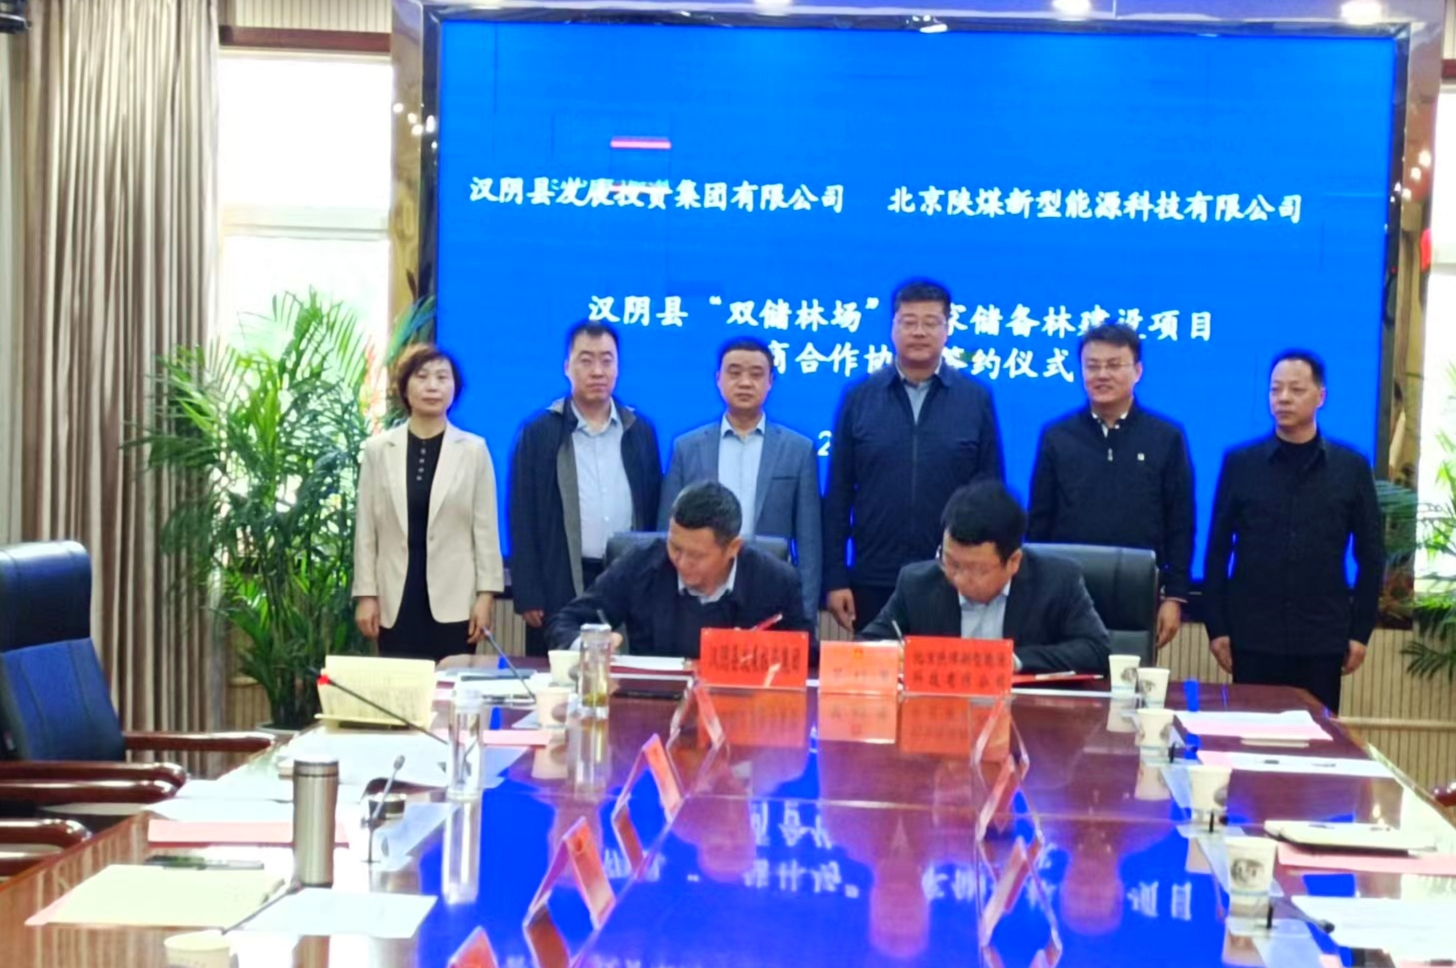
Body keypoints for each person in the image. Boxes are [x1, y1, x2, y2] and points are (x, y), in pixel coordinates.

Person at [1203, 350, 1384, 713]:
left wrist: (1360, 631)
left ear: (1321, 396)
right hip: (1253, 636)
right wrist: (1217, 626)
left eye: (1296, 389)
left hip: (1321, 639)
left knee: (1316, 738)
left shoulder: (1351, 467)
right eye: (1275, 389)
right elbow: (1217, 550)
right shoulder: (1241, 463)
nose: (1283, 398)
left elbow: (1371, 554)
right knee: (1249, 736)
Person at [824, 278, 1004, 633]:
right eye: (909, 322)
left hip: (954, 577)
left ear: (947, 329)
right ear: (892, 328)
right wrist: (835, 578)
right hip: (874, 576)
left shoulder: (975, 399)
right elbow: (839, 494)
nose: (919, 332)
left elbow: (990, 493)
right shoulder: (859, 397)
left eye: (931, 322)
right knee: (878, 666)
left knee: (947, 667)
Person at [1028, 323, 1195, 650]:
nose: (1102, 374)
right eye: (1092, 366)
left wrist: (1175, 596)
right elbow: (1039, 523)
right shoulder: (1057, 437)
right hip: (1067, 591)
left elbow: (1180, 523)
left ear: (1138, 371)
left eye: (1114, 365)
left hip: (1138, 591)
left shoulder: (1166, 437)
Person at [509, 321, 662, 656]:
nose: (597, 371)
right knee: (559, 672)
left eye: (607, 360)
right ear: (567, 366)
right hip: (560, 576)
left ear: (618, 367)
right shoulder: (539, 431)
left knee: (624, 673)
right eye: (586, 360)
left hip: (626, 576)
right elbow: (522, 514)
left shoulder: (640, 431)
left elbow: (653, 508)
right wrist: (529, 591)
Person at [859, 481, 1111, 675]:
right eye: (950, 562)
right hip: (944, 720)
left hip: (1025, 718)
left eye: (975, 570)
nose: (959, 578)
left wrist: (1014, 661)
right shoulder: (917, 585)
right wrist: (887, 653)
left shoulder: (1056, 581)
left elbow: (1097, 650)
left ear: (1013, 561)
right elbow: (862, 646)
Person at [353, 344, 504, 662]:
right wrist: (366, 595)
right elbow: (366, 530)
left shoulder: (474, 450)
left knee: (451, 685)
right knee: (400, 685)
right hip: (395, 598)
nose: (432, 386)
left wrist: (485, 597)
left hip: (455, 599)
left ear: (454, 388)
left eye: (442, 377)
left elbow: (486, 531)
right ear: (405, 387)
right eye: (422, 377)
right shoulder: (378, 450)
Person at [547, 481, 813, 657]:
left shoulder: (776, 581)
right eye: (675, 547)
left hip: (743, 713)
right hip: (653, 709)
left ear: (733, 548)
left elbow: (805, 659)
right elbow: (565, 622)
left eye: (697, 555)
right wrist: (589, 646)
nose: (682, 563)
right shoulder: (641, 564)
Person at [659, 337, 822, 619]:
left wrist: (805, 615)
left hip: (769, 591)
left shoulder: (799, 450)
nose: (745, 383)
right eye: (734, 373)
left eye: (756, 374)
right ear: (718, 379)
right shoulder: (687, 448)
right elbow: (667, 532)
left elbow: (809, 546)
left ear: (770, 382)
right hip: (700, 589)